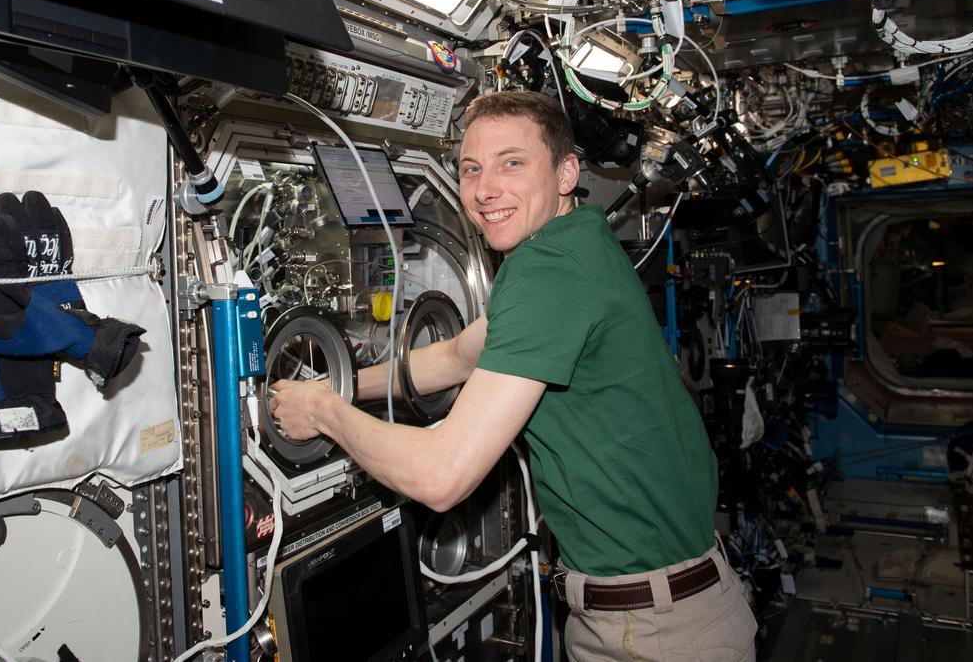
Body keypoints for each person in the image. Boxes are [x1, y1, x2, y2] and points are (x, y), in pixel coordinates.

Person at [268, 90, 757, 661]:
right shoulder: (578, 242)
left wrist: (324, 414)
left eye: (512, 163)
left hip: (653, 634)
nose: (485, 190)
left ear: (567, 171)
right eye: (471, 169)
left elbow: (441, 476)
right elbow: (456, 355)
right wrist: (341, 385)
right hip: (673, 604)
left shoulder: (546, 271)